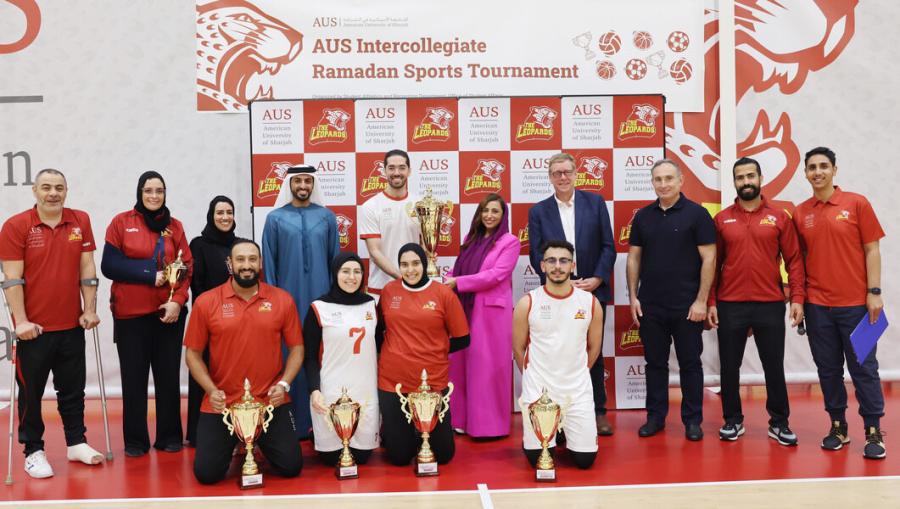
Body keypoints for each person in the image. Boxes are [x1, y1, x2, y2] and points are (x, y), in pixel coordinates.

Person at [0, 169, 104, 479]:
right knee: (31, 395)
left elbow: (87, 268)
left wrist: (89, 309)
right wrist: (21, 322)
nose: (53, 193)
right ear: (35, 191)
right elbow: (12, 278)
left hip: (71, 326)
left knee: (72, 390)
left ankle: (76, 442)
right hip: (34, 331)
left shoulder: (80, 220)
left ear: (66, 190)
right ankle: (33, 451)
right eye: (46, 187)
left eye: (59, 187)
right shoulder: (16, 225)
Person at [793, 146, 886, 459]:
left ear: (834, 170)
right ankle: (838, 427)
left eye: (823, 166)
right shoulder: (800, 213)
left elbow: (872, 249)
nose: (817, 172)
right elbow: (799, 260)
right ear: (806, 173)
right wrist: (799, 299)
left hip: (859, 306)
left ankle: (873, 431)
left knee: (865, 369)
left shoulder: (857, 203)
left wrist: (874, 291)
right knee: (828, 370)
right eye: (812, 167)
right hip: (818, 307)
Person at [184, 239, 303, 484]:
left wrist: (284, 385)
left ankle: (257, 441)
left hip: (270, 402)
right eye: (240, 259)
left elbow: (297, 349)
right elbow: (192, 354)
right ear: (230, 264)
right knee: (206, 474)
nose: (246, 265)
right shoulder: (206, 302)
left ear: (260, 263)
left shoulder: (282, 299)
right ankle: (241, 441)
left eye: (252, 259)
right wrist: (211, 390)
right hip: (223, 404)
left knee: (291, 467)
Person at [708, 158, 805, 445]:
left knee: (773, 367)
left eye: (751, 176)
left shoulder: (780, 217)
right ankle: (732, 420)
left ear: (760, 178)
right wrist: (711, 301)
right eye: (740, 177)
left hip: (769, 304)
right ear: (734, 182)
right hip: (730, 304)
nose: (746, 181)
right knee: (729, 367)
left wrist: (797, 297)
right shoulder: (721, 219)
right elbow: (712, 265)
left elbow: (794, 261)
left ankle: (779, 422)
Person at [101, 171, 192, 456]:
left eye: (159, 191)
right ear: (140, 192)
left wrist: (178, 301)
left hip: (168, 315)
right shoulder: (121, 222)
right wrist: (148, 274)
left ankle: (169, 436)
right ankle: (135, 441)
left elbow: (186, 268)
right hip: (130, 317)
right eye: (148, 190)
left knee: (168, 377)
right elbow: (109, 265)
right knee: (134, 379)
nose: (154, 196)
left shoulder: (175, 227)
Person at [626, 159, 716, 441]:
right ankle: (655, 418)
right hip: (651, 305)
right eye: (658, 179)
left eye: (668, 178)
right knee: (655, 364)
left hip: (687, 306)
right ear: (652, 183)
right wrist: (633, 297)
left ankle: (693, 420)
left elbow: (709, 258)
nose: (663, 184)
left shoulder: (698, 214)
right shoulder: (643, 217)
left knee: (690, 364)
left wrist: (701, 301)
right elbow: (633, 258)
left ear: (680, 180)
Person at [527, 152, 616, 435]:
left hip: (592, 290)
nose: (563, 177)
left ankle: (597, 411)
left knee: (593, 352)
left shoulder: (595, 203)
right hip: (555, 294)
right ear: (550, 177)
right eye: (557, 173)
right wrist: (559, 284)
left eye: (567, 172)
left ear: (576, 173)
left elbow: (608, 246)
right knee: (556, 352)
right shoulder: (538, 211)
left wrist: (597, 279)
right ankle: (555, 414)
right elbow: (536, 254)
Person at [262, 164, 339, 440]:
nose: (303, 185)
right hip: (287, 301)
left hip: (321, 301)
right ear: (290, 184)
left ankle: (322, 421)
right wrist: (272, 303)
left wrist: (334, 301)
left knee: (319, 354)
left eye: (308, 181)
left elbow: (335, 261)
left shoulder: (327, 218)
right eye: (298, 181)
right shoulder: (275, 219)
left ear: (313, 184)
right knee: (288, 355)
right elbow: (269, 264)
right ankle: (291, 422)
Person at [513, 240, 603, 469]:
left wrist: (577, 374)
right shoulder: (527, 302)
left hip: (577, 392)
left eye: (564, 261)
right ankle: (551, 434)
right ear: (542, 266)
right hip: (539, 393)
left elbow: (594, 348)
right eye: (551, 261)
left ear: (573, 266)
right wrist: (533, 381)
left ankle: (564, 431)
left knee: (585, 461)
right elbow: (518, 349)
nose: (557, 266)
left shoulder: (590, 303)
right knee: (538, 459)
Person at [377, 243, 469, 466]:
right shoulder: (389, 291)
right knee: (399, 457)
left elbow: (463, 338)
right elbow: (379, 331)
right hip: (393, 382)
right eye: (404, 265)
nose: (410, 270)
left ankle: (419, 433)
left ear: (424, 263)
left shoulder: (443, 293)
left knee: (444, 455)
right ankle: (397, 431)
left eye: (415, 263)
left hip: (432, 382)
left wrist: (433, 352)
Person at [445, 193, 519, 437]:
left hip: (491, 315)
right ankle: (460, 420)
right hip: (464, 308)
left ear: (503, 215)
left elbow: (497, 274)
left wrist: (458, 282)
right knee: (460, 364)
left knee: (486, 369)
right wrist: (447, 281)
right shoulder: (471, 239)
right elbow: (458, 269)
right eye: (485, 210)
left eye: (495, 211)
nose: (489, 215)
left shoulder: (510, 242)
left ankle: (489, 426)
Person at [304, 253, 378, 466]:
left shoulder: (371, 305)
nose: (351, 277)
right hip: (332, 390)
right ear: (335, 273)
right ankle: (314, 433)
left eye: (357, 272)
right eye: (345, 271)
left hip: (365, 390)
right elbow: (309, 357)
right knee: (331, 459)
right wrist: (314, 390)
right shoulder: (319, 307)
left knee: (361, 458)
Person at [186, 195, 236, 447]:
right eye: (220, 213)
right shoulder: (199, 244)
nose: (225, 217)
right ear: (211, 215)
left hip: (238, 323)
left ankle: (239, 430)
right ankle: (199, 433)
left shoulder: (240, 245)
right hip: (210, 320)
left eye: (229, 212)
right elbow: (197, 286)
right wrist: (215, 314)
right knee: (204, 371)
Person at [359, 149, 420, 297]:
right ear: (384, 171)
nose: (396, 173)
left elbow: (424, 247)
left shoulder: (421, 205)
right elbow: (375, 252)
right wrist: (403, 278)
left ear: (409, 171)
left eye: (402, 168)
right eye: (391, 168)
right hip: (381, 288)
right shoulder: (371, 206)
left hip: (414, 285)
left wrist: (414, 277)